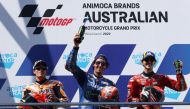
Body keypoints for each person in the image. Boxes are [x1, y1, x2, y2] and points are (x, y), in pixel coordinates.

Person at [65, 34, 118, 109]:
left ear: (105, 66)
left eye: (103, 64)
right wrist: (76, 46)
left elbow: (116, 105)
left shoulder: (110, 84)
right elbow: (70, 66)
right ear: (93, 64)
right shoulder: (84, 76)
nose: (100, 65)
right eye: (97, 63)